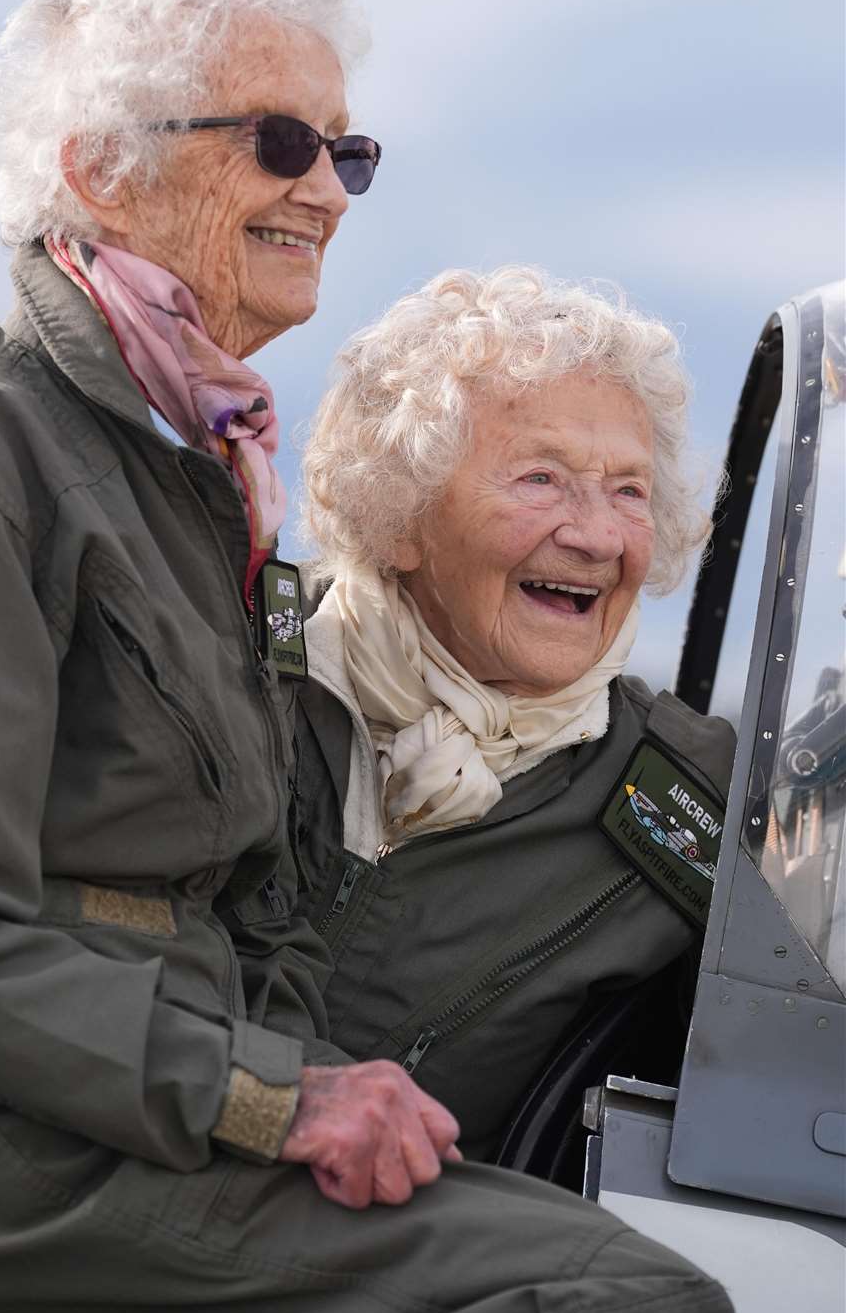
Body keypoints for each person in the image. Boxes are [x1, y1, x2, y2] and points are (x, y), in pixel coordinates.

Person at [0, 0, 736, 1313]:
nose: (329, 190)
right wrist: (279, 1097)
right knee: (615, 1295)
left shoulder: (194, 482)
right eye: (283, 142)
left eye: (349, 154)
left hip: (113, 1120)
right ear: (103, 166)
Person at [294, 265, 738, 1163]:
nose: (598, 536)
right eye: (541, 478)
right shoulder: (235, 669)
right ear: (400, 514)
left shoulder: (701, 804)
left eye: (628, 489)